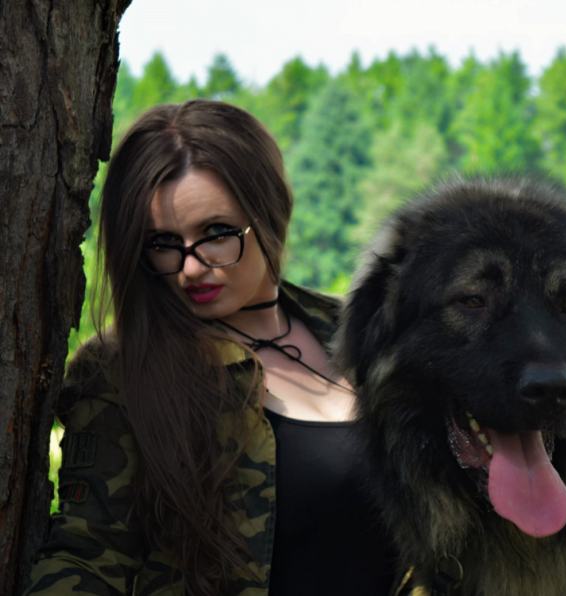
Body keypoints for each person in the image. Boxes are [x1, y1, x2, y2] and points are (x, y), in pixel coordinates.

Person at [25, 100, 399, 595]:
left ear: (269, 212)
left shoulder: (369, 333)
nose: (190, 269)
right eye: (163, 243)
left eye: (216, 233)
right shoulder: (120, 370)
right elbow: (87, 555)